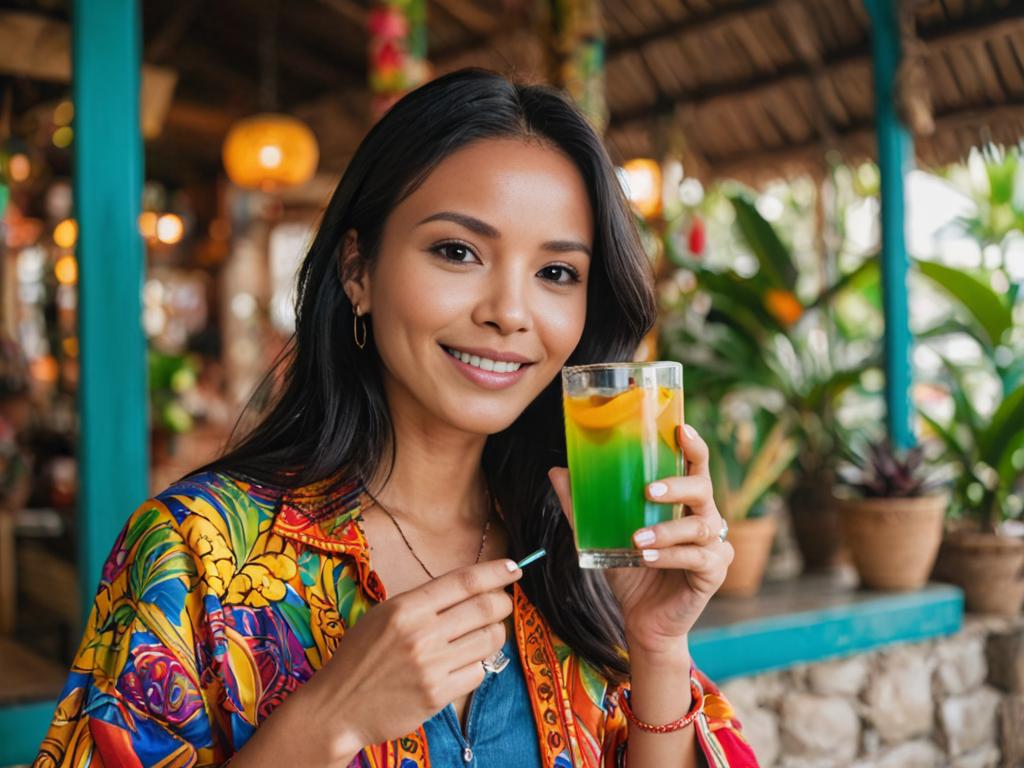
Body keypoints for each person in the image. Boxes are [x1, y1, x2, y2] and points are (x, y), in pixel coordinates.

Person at [34, 69, 758, 768]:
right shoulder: (193, 552)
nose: (509, 311)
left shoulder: (583, 551)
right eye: (457, 251)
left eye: (556, 272)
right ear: (357, 271)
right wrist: (328, 722)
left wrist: (659, 647)